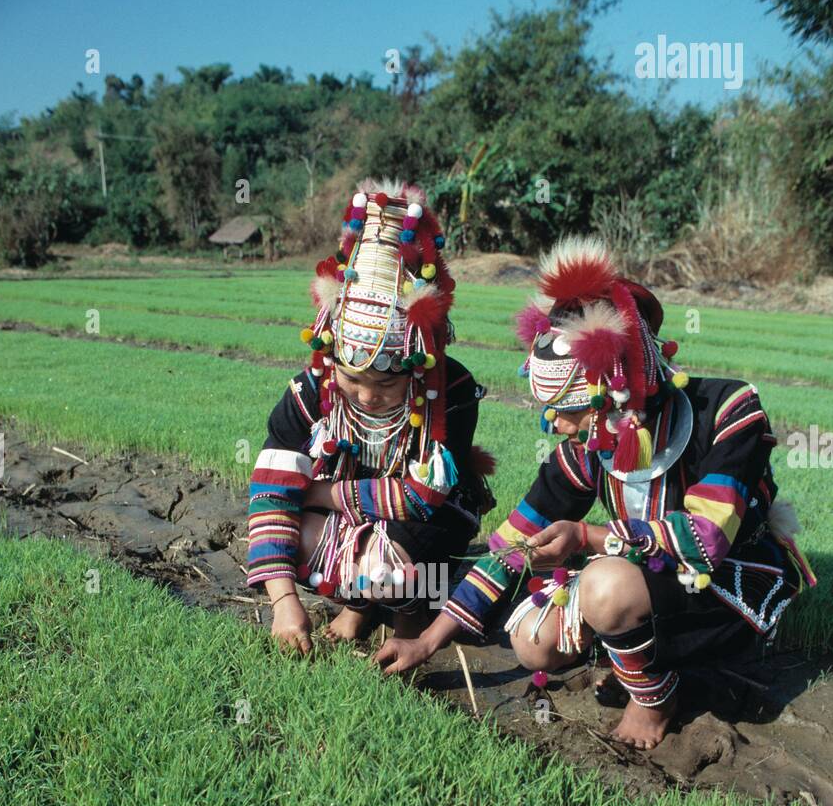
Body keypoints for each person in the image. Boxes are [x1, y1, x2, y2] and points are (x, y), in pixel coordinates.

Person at [376, 236, 816, 749]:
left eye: (567, 409)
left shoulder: (728, 410)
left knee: (604, 586)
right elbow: (508, 549)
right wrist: (426, 642)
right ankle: (641, 648)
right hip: (642, 574)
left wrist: (587, 536)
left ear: (619, 392)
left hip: (726, 584)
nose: (554, 424)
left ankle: (654, 697)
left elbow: (707, 539)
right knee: (532, 645)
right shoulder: (587, 448)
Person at [246, 180, 491, 654]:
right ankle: (359, 604)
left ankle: (408, 613)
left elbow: (425, 498)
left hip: (423, 524)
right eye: (351, 378)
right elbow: (271, 492)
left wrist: (321, 492)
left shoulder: (450, 392)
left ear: (418, 365)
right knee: (285, 533)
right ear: (330, 358)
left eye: (386, 384)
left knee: (396, 569)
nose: (366, 395)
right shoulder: (310, 390)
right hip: (355, 515)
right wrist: (283, 603)